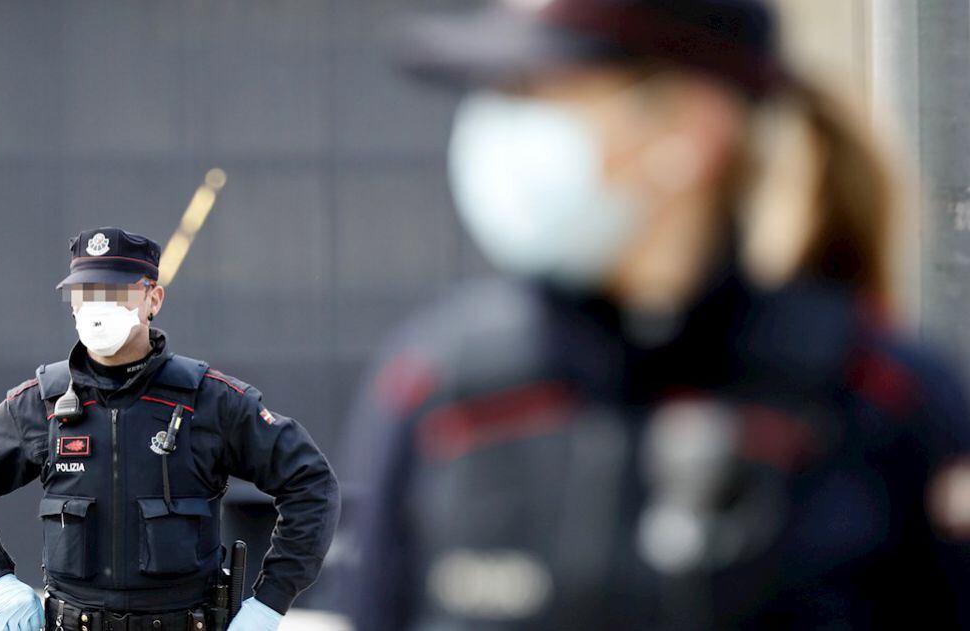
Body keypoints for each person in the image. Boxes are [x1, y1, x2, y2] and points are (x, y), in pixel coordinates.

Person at [345, 0, 970, 629]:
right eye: (505, 93)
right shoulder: (440, 393)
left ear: (694, 128)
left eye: (543, 91)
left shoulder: (877, 403)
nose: (505, 128)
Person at [0, 227, 340, 631]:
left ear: (152, 298)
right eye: (84, 294)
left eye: (114, 292)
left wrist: (269, 603)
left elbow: (312, 484)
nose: (95, 306)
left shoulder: (210, 400)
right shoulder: (43, 403)